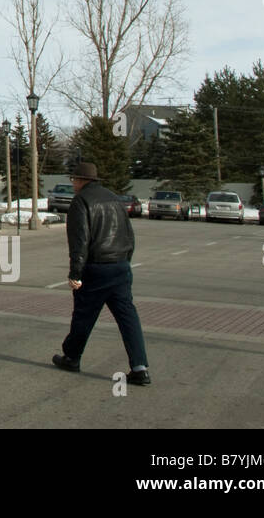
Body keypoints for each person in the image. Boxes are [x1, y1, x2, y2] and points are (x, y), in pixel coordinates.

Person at [52, 162, 150, 385]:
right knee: (128, 318)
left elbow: (79, 241)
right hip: (121, 266)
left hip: (96, 267)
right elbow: (129, 235)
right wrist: (126, 261)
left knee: (84, 316)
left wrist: (75, 273)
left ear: (79, 180)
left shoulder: (81, 201)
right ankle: (140, 367)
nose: (73, 184)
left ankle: (72, 357)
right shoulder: (115, 199)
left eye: (74, 180)